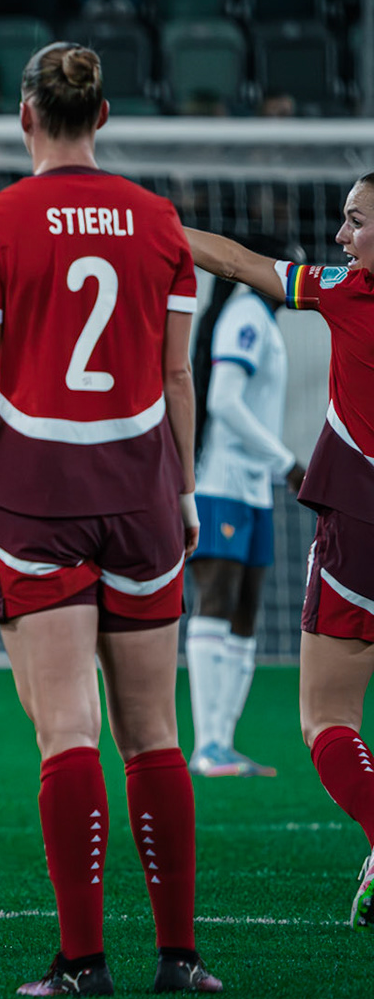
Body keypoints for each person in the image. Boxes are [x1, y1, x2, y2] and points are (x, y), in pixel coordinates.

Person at [0, 43, 219, 997]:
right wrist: (181, 491)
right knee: (156, 733)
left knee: (67, 730)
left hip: (38, 493)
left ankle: (82, 960)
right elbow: (179, 375)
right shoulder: (161, 222)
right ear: (102, 118)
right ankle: (179, 957)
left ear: (26, 117)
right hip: (142, 488)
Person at [181, 206, 374, 929]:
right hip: (246, 482)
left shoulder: (346, 290)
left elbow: (233, 263)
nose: (339, 239)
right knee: (224, 602)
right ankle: (216, 739)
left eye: (355, 222)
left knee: (326, 716)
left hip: (357, 514)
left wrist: (143, 220)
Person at [183, 245, 303, 779]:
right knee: (217, 599)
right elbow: (223, 403)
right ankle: (206, 744)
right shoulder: (246, 316)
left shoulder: (260, 319)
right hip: (223, 483)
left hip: (252, 488)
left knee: (247, 609)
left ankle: (224, 744)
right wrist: (287, 461)